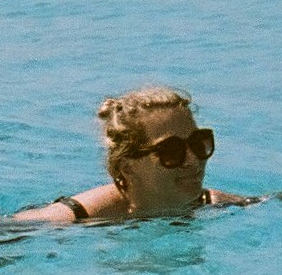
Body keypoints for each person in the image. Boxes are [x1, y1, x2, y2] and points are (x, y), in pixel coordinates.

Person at [16, 85, 256, 223]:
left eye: (198, 143)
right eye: (171, 151)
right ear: (127, 167)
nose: (193, 160)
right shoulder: (74, 217)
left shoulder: (214, 204)